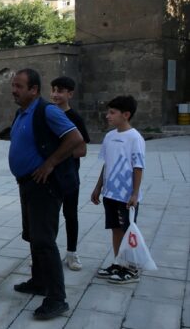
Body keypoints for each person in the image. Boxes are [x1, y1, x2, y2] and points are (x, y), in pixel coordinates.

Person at [8, 69, 83, 320]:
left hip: (44, 186)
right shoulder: (22, 113)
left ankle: (57, 298)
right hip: (27, 184)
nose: (14, 90)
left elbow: (75, 138)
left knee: (44, 240)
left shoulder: (47, 111)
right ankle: (39, 281)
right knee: (33, 236)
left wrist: (50, 163)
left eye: (19, 86)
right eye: (13, 86)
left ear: (34, 90)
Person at [91, 95, 145, 284]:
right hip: (110, 194)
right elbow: (106, 164)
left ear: (126, 115)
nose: (108, 116)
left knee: (128, 230)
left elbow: (138, 167)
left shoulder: (134, 138)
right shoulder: (109, 136)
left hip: (126, 196)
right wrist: (98, 187)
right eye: (109, 112)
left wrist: (135, 193)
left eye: (112, 113)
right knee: (115, 229)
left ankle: (131, 268)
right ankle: (118, 262)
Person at [50, 76, 90, 271]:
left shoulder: (75, 118)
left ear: (70, 94)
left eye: (61, 91)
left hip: (69, 176)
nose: (56, 94)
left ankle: (72, 254)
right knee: (48, 216)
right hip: (48, 176)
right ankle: (45, 253)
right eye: (54, 90)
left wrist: (57, 156)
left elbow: (82, 150)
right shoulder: (46, 114)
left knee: (70, 214)